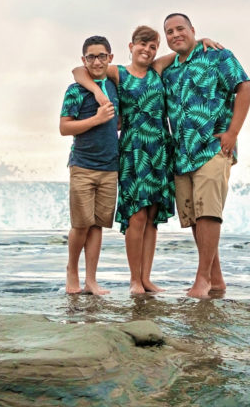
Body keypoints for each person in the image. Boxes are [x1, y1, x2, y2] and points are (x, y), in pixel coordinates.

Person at [72, 26, 176, 295]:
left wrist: (204, 40)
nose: (148, 50)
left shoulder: (158, 68)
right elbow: (78, 71)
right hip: (133, 150)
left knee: (152, 217)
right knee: (136, 215)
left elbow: (186, 49)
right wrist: (97, 92)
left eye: (153, 46)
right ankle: (133, 280)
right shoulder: (119, 72)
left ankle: (146, 278)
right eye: (143, 45)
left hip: (159, 149)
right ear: (131, 47)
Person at [161, 12, 250, 299]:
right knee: (193, 217)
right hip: (182, 153)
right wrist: (193, 41)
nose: (175, 34)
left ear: (192, 29)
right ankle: (216, 278)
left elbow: (245, 88)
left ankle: (201, 280)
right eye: (169, 32)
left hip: (214, 148)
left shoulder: (217, 57)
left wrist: (233, 132)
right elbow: (148, 65)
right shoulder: (170, 70)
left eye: (181, 29)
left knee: (209, 213)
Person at [59, 35, 119, 295]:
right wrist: (96, 119)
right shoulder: (76, 91)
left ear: (110, 58)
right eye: (91, 57)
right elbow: (64, 127)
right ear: (84, 60)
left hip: (110, 167)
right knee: (81, 224)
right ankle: (72, 271)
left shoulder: (115, 86)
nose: (97, 61)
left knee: (98, 225)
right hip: (83, 165)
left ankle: (91, 280)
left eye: (102, 56)